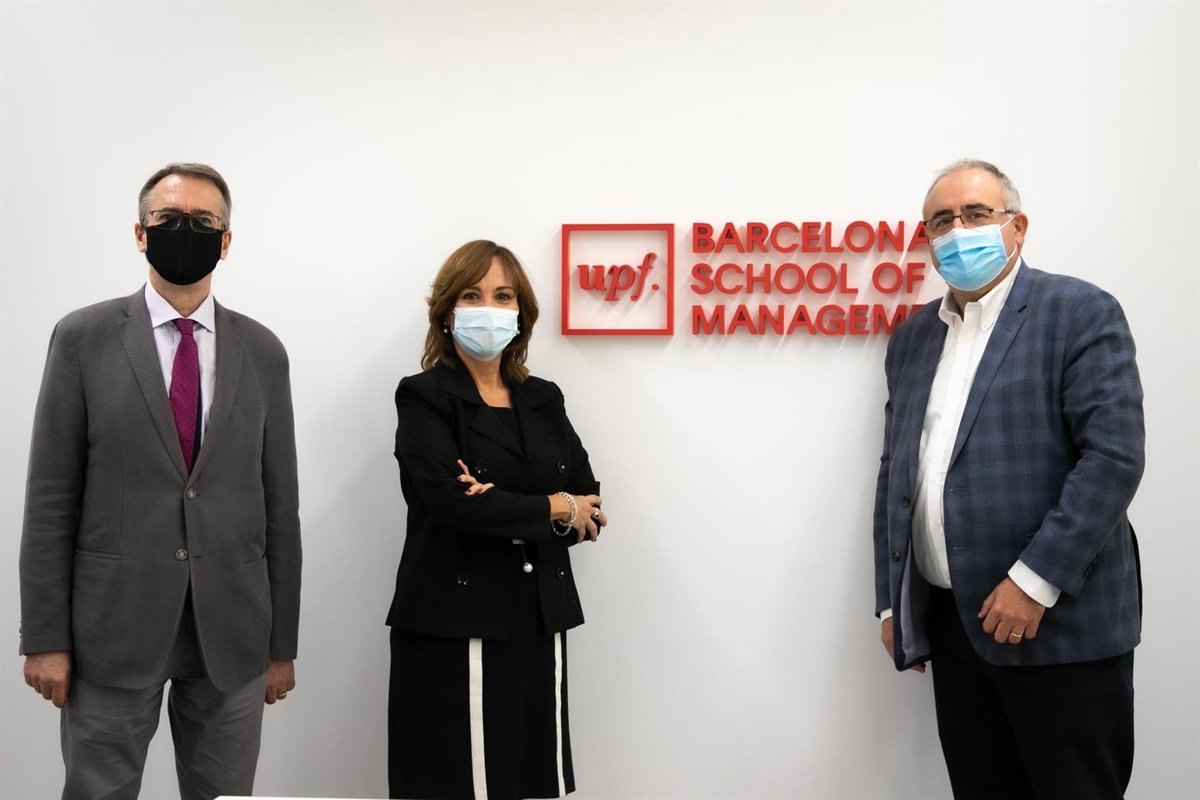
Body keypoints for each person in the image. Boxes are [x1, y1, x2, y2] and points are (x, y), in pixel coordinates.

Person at [19, 163, 302, 800]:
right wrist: (45, 638)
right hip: (111, 632)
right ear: (140, 233)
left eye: (203, 222)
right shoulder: (82, 338)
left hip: (232, 630)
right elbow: (50, 500)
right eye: (168, 219)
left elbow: (279, 505)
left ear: (226, 241)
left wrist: (281, 643)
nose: (185, 231)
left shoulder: (264, 352)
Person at [873, 159, 1144, 799]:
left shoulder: (1079, 311)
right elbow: (897, 471)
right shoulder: (912, 338)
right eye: (941, 221)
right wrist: (893, 599)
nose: (957, 231)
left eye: (975, 214)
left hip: (1058, 626)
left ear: (1017, 228)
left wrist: (1033, 581)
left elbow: (1113, 458)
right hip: (955, 629)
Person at [388, 240, 606, 800]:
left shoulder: (543, 398)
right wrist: (552, 505)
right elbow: (455, 506)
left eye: (503, 296)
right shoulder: (424, 397)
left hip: (538, 616)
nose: (489, 307)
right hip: (454, 619)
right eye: (472, 295)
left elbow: (590, 501)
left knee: (527, 779)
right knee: (458, 783)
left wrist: (522, 505)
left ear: (521, 312)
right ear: (447, 311)